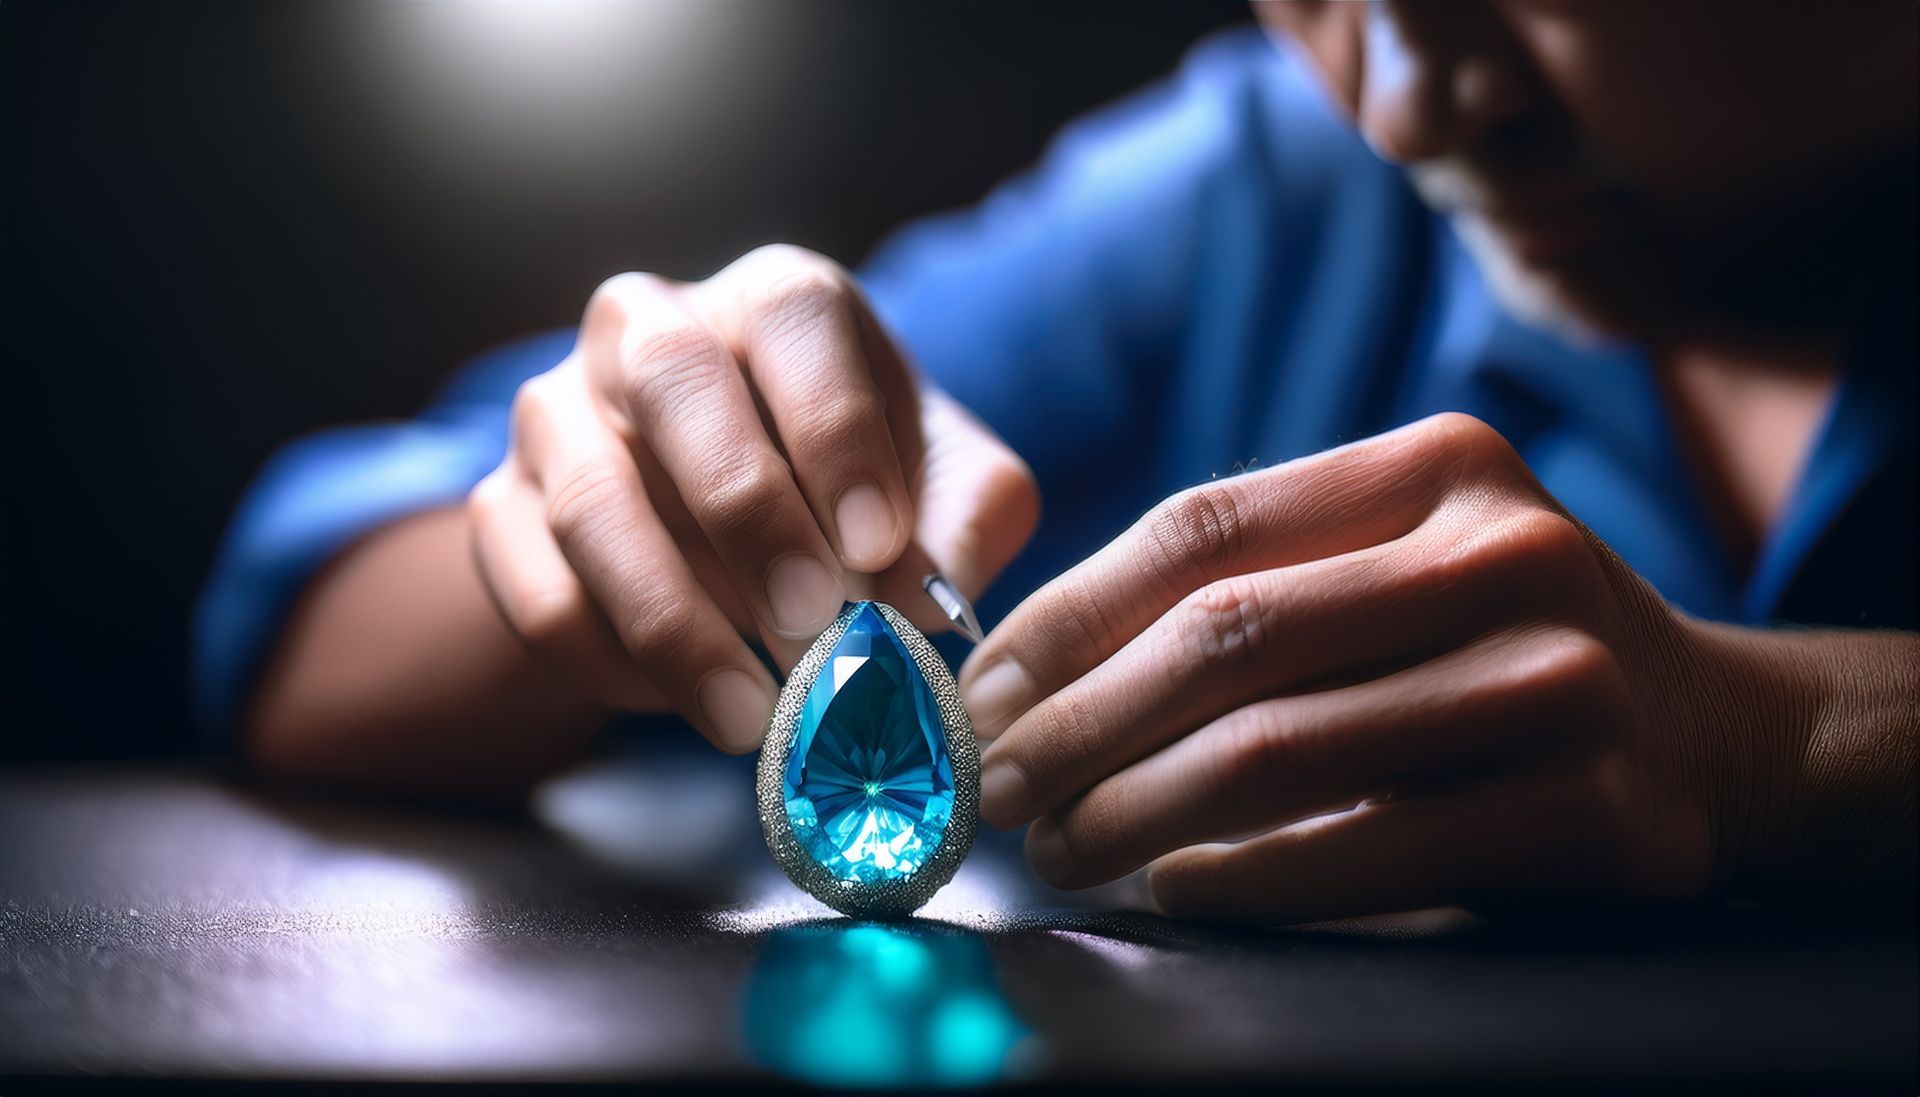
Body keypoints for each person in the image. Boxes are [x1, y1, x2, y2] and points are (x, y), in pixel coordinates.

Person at [196, 2, 1917, 922]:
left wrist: (1794, 739)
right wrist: (627, 519)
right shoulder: (1262, 194)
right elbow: (310, 633)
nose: (1406, 98)